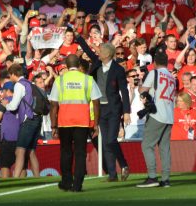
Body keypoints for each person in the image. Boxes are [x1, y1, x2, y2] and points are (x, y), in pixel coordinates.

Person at [75, 36, 131, 182]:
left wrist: (126, 112)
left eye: (101, 50)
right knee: (105, 142)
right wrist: (78, 38)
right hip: (100, 108)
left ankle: (124, 164)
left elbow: (124, 91)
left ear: (108, 54)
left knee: (112, 140)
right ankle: (112, 175)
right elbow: (87, 49)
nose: (98, 52)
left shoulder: (118, 69)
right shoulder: (97, 64)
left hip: (113, 109)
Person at [49, 54, 102, 192]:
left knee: (66, 152)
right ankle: (77, 184)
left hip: (64, 122)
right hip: (82, 122)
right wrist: (95, 123)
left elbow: (54, 105)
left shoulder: (59, 80)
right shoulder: (88, 79)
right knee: (80, 153)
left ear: (66, 64)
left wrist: (53, 125)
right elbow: (96, 103)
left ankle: (66, 182)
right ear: (79, 64)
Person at [137, 52, 175, 188]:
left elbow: (142, 91)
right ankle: (165, 179)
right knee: (164, 148)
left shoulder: (154, 73)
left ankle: (152, 176)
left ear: (155, 63)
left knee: (147, 145)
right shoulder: (172, 77)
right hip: (169, 115)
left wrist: (140, 81)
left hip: (156, 114)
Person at [1, 64, 44, 178]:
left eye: (11, 75)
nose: (11, 78)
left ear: (14, 74)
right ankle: (37, 177)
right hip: (38, 118)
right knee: (31, 151)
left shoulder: (19, 85)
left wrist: (6, 105)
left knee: (19, 150)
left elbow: (14, 106)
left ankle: (15, 178)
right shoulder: (30, 83)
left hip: (28, 120)